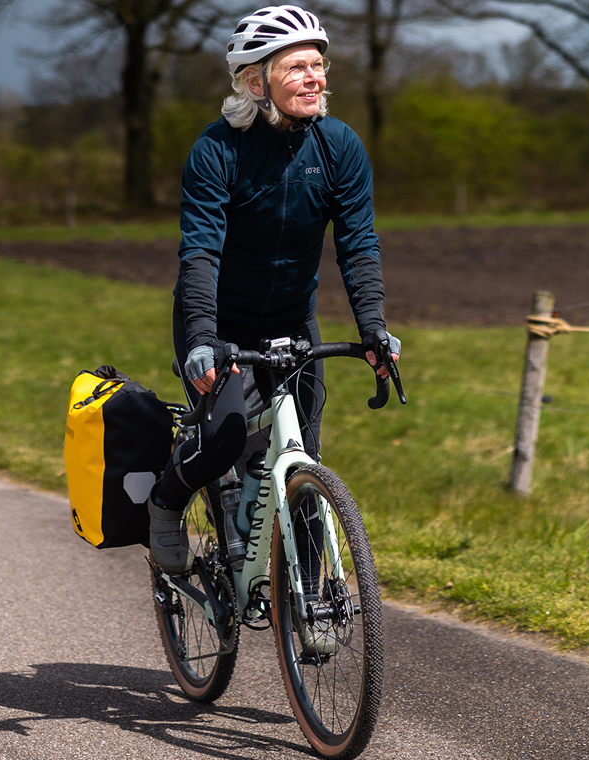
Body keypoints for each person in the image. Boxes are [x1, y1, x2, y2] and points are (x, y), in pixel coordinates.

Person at [148, 4, 400, 573]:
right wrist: (203, 339)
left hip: (292, 320)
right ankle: (165, 502)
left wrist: (374, 330)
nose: (315, 78)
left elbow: (358, 244)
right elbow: (201, 252)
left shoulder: (340, 147)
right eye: (297, 68)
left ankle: (315, 606)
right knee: (226, 439)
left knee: (301, 458)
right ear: (256, 82)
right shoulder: (217, 150)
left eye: (319, 65)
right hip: (218, 322)